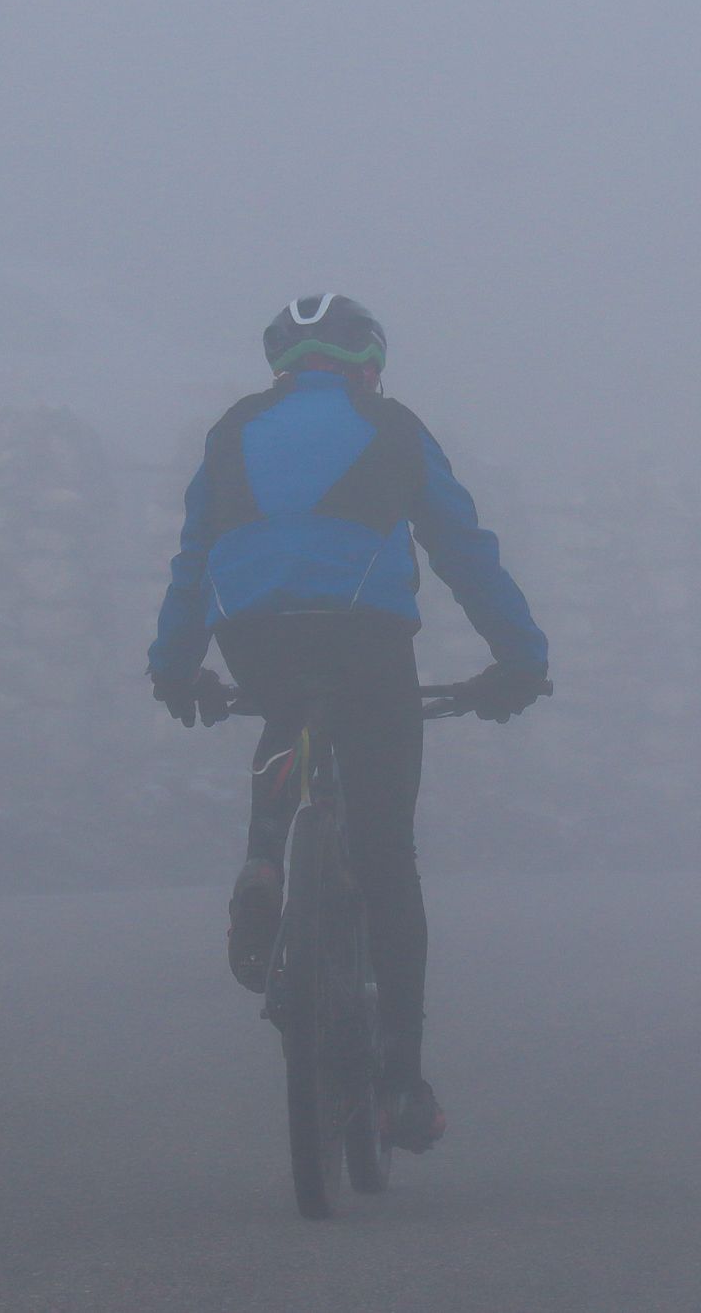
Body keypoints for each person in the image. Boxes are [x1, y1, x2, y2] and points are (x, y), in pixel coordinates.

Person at [147, 294, 549, 1153]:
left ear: (284, 366)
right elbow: (464, 550)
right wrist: (520, 659)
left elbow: (194, 558)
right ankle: (402, 1080)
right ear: (366, 361)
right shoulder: (393, 425)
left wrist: (174, 669)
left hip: (252, 632)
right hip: (366, 637)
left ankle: (263, 855)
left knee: (286, 718)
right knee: (385, 854)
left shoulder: (230, 431)